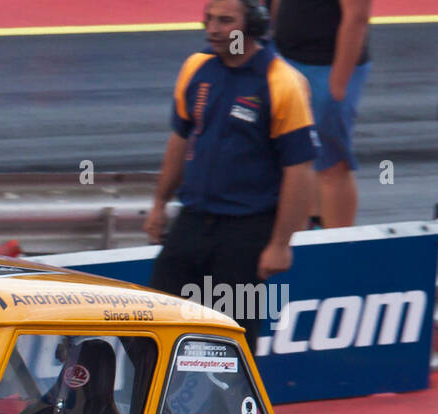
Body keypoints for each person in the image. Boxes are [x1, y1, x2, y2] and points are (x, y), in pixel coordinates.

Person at [144, 0, 318, 352]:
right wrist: (160, 203)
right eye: (209, 19)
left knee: (232, 337)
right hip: (192, 221)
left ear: (253, 25)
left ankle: (236, 409)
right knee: (156, 324)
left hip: (245, 231)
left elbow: (299, 170)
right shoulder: (197, 67)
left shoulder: (283, 82)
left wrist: (281, 243)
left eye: (225, 21)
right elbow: (179, 140)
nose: (213, 28)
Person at [272, 0, 373, 227]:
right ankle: (310, 224)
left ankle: (339, 246)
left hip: (326, 66)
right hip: (288, 58)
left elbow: (357, 17)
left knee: (331, 163)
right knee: (296, 154)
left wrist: (338, 84)